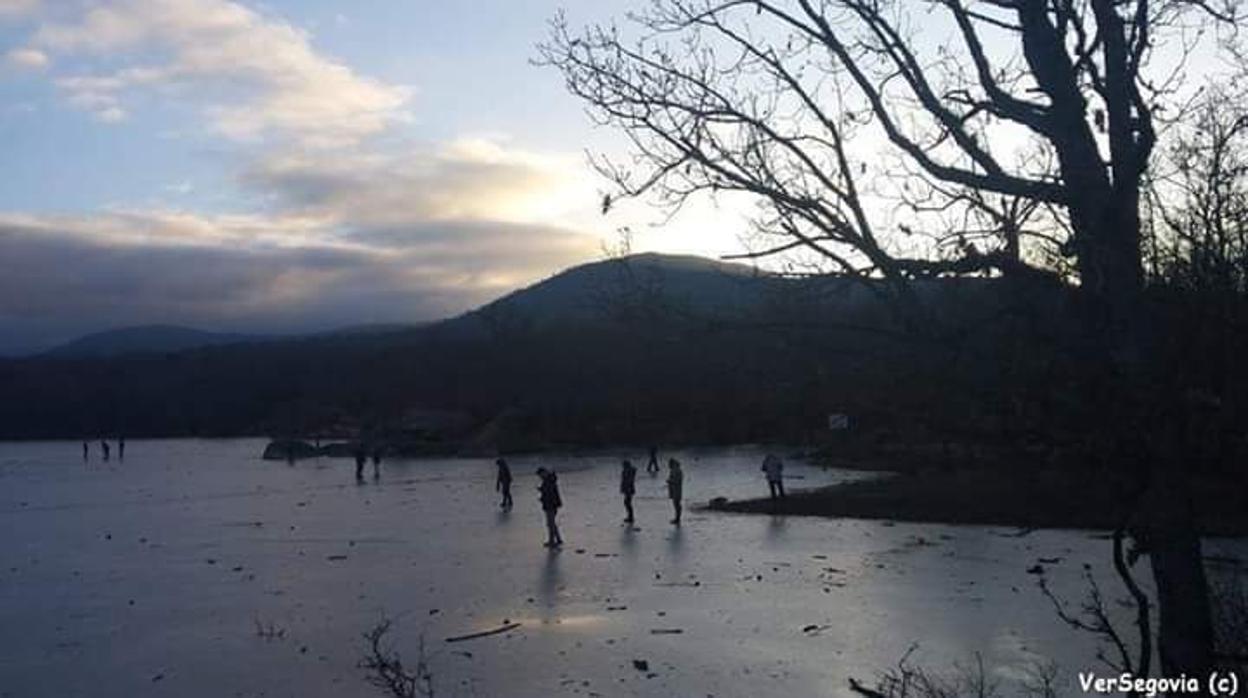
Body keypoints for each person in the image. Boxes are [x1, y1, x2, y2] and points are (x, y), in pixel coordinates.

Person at [536, 467, 563, 547]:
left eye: (540, 475)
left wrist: (542, 497)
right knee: (552, 523)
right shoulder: (549, 480)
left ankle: (552, 541)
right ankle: (558, 539)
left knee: (550, 524)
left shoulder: (548, 481)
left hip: (550, 505)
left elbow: (549, 494)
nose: (540, 477)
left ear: (543, 473)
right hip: (551, 504)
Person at [666, 458, 683, 525]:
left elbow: (677, 481)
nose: (668, 466)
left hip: (677, 490)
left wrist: (670, 481)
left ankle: (678, 518)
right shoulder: (674, 470)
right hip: (674, 490)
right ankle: (677, 518)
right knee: (676, 504)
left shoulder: (677, 471)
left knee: (677, 504)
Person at [620, 459, 637, 524]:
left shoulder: (628, 472)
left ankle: (631, 517)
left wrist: (626, 489)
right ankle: (630, 516)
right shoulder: (628, 472)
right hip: (628, 489)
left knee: (627, 503)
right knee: (627, 503)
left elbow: (628, 481)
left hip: (628, 489)